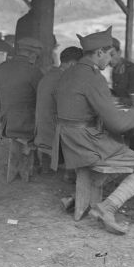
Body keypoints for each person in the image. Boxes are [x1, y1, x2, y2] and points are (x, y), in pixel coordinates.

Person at [54, 27, 134, 235]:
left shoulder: (70, 71)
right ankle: (107, 208)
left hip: (68, 140)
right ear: (99, 52)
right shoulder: (93, 77)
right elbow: (118, 124)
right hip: (85, 143)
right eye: (109, 55)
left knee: (119, 148)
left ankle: (77, 198)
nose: (110, 61)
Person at [35, 46, 83, 175]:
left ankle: (46, 165)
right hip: (52, 133)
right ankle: (72, 174)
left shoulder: (49, 75)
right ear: (73, 64)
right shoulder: (65, 80)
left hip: (41, 129)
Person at [0, 37, 44, 140]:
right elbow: (44, 103)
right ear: (33, 55)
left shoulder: (0, 68)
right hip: (29, 128)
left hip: (7, 126)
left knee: (15, 154)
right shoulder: (34, 72)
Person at [108, 37, 134, 103]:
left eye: (112, 55)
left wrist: (117, 100)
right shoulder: (115, 70)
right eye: (106, 56)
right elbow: (119, 94)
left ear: (119, 52)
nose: (109, 59)